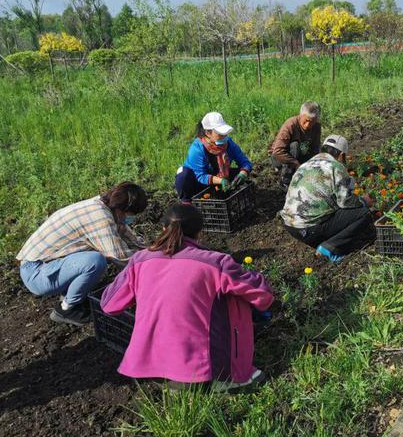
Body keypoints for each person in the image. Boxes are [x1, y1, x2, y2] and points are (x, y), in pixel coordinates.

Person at [100, 204, 274, 391]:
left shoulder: (140, 260)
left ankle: (167, 373)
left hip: (146, 368)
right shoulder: (216, 262)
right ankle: (227, 376)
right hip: (198, 370)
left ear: (164, 228)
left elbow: (109, 304)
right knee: (234, 297)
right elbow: (263, 295)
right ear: (199, 232)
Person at [17, 182, 148, 326]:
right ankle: (66, 309)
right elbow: (120, 255)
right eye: (132, 214)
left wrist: (151, 252)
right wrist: (148, 275)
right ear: (123, 209)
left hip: (50, 265)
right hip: (36, 272)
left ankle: (71, 294)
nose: (132, 218)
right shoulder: (99, 217)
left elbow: (128, 236)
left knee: (99, 252)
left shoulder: (105, 207)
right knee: (96, 261)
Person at [280, 134, 376, 263]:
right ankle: (329, 248)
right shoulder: (336, 167)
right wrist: (364, 201)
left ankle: (322, 240)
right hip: (309, 229)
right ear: (342, 155)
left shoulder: (305, 165)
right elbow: (345, 202)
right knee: (363, 213)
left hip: (290, 226)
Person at [175, 112, 253, 202]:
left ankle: (224, 193)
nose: (224, 137)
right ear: (208, 133)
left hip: (219, 174)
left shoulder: (229, 143)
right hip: (198, 182)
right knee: (183, 175)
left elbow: (245, 162)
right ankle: (187, 202)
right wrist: (221, 181)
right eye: (220, 134)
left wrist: (243, 173)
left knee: (238, 175)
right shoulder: (197, 149)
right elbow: (201, 176)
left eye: (225, 134)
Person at [269, 101, 322, 189]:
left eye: (312, 122)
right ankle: (286, 179)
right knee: (295, 145)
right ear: (300, 115)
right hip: (279, 157)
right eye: (306, 121)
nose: (308, 125)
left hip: (300, 152)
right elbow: (278, 151)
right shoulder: (290, 125)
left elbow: (315, 148)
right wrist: (296, 163)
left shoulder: (316, 126)